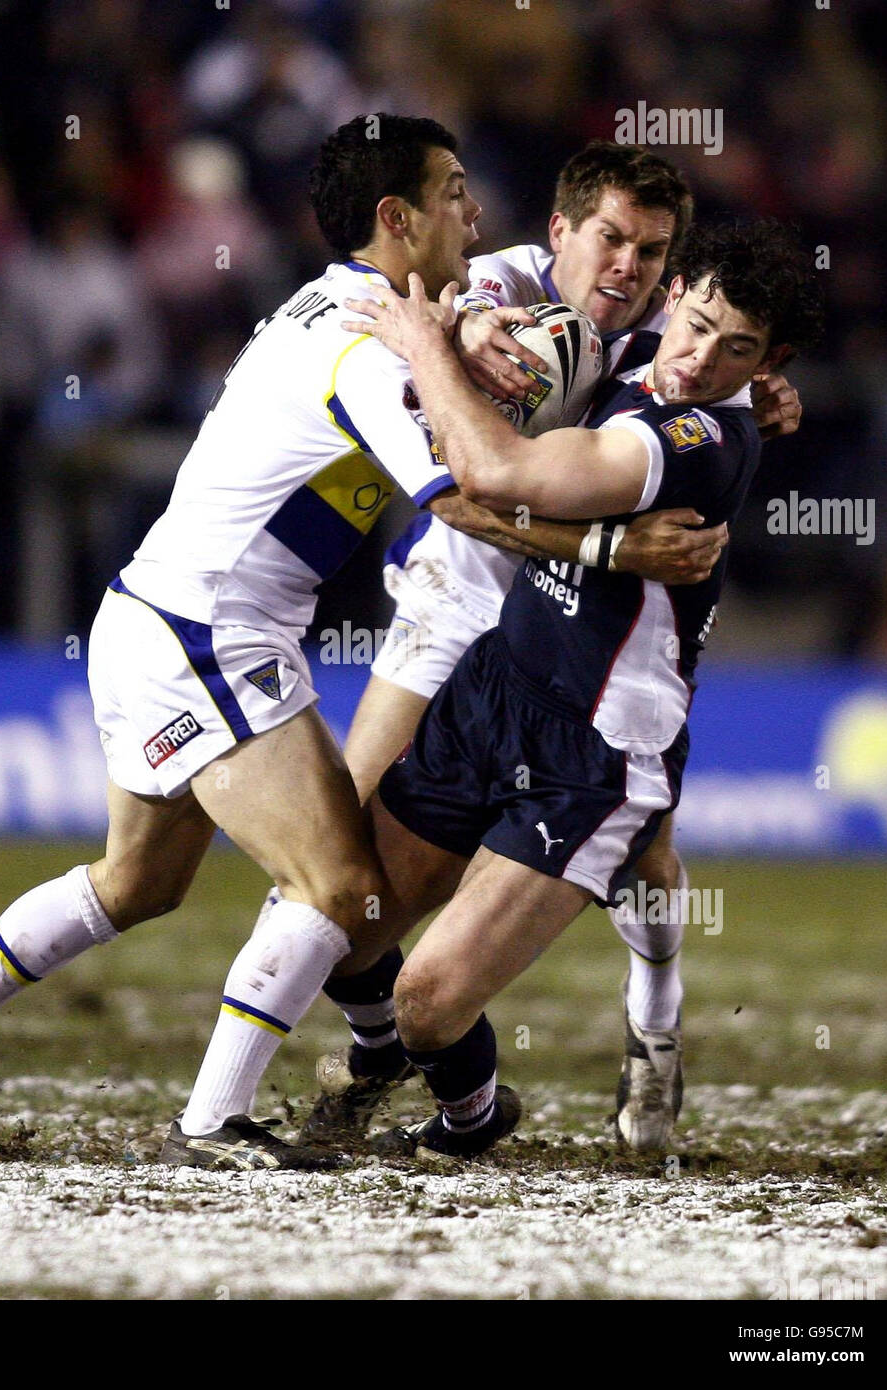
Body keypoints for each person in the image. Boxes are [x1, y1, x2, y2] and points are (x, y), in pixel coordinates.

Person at [0, 115, 712, 1168]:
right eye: (452, 194)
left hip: (159, 613)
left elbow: (510, 301)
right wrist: (618, 547)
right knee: (340, 887)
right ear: (396, 219)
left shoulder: (354, 303)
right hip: (209, 630)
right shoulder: (361, 349)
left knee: (140, 881)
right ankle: (218, 1120)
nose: (472, 213)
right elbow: (461, 498)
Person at [301, 143, 803, 1153]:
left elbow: (736, 366)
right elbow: (463, 333)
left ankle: (651, 1029)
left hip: (600, 672)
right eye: (609, 238)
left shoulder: (692, 366)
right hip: (464, 605)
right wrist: (458, 332)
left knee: (646, 851)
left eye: (651, 251)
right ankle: (381, 1048)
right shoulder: (506, 284)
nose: (626, 266)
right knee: (333, 892)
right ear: (565, 231)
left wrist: (765, 399)